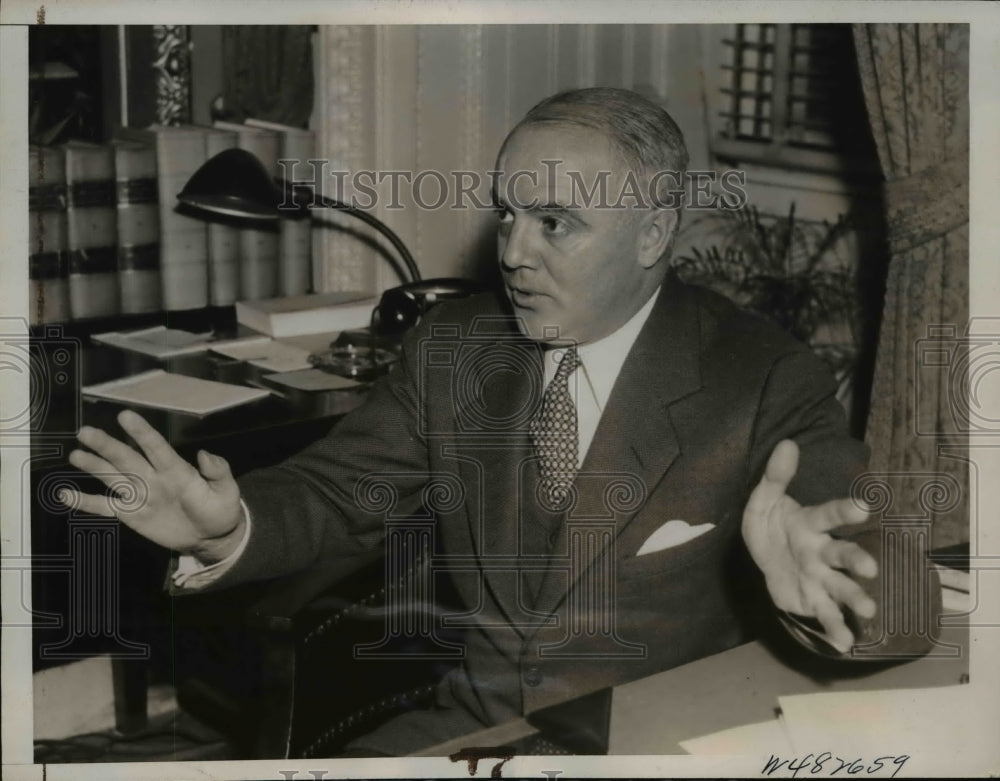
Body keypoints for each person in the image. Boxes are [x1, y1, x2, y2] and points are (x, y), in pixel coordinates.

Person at [62, 88, 887, 756]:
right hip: (473, 733)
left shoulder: (759, 373)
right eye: (507, 216)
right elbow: (336, 490)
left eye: (554, 222)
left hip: (660, 749)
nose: (514, 252)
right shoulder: (457, 347)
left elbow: (906, 601)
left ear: (654, 235)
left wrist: (832, 586)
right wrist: (229, 525)